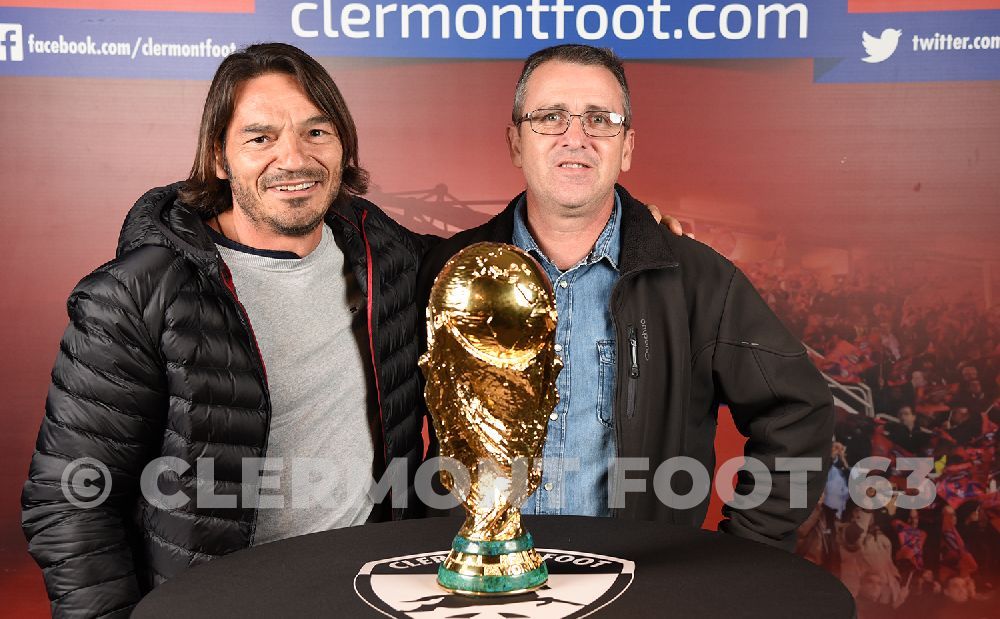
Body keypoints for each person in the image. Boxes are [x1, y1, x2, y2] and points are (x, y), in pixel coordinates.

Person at [20, 43, 435, 617]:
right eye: (260, 137)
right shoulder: (136, 295)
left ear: (343, 145)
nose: (294, 159)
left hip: (370, 590)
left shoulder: (382, 251)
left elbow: (499, 255)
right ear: (219, 156)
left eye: (316, 133)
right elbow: (69, 503)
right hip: (223, 602)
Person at [417, 44, 835, 549]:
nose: (577, 137)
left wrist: (743, 555)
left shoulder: (697, 280)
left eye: (601, 119)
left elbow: (798, 411)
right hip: (470, 583)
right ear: (515, 142)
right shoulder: (446, 271)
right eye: (550, 117)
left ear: (627, 146)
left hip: (635, 588)